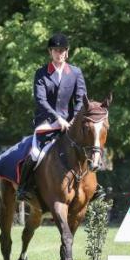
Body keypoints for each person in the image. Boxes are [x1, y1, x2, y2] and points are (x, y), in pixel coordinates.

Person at [17, 32, 104, 201]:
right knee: (35, 153)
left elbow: (81, 99)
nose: (60, 53)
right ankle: (24, 187)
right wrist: (58, 119)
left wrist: (73, 120)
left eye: (62, 50)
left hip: (71, 123)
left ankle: (94, 188)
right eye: (56, 50)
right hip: (47, 122)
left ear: (67, 52)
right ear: (50, 52)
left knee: (87, 149)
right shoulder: (41, 73)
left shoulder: (75, 73)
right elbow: (40, 100)